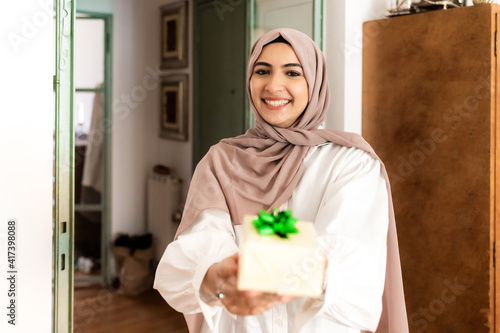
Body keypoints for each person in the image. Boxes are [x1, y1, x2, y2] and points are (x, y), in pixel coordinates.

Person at [154, 28, 408, 333]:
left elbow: (354, 268)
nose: (274, 85)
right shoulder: (220, 161)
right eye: (262, 71)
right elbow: (195, 250)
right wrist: (214, 276)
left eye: (292, 72)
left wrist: (283, 269)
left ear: (314, 82)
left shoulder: (350, 163)